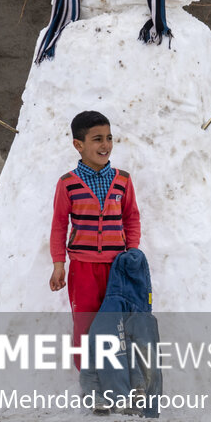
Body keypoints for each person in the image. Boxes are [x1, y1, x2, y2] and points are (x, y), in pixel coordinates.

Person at [49, 110, 141, 368]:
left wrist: (132, 252)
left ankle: (119, 378)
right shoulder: (68, 184)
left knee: (118, 324)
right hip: (83, 267)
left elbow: (131, 218)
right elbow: (58, 225)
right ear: (78, 145)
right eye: (97, 139)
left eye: (109, 138)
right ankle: (91, 381)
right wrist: (59, 264)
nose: (105, 145)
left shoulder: (123, 180)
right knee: (85, 324)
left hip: (117, 267)